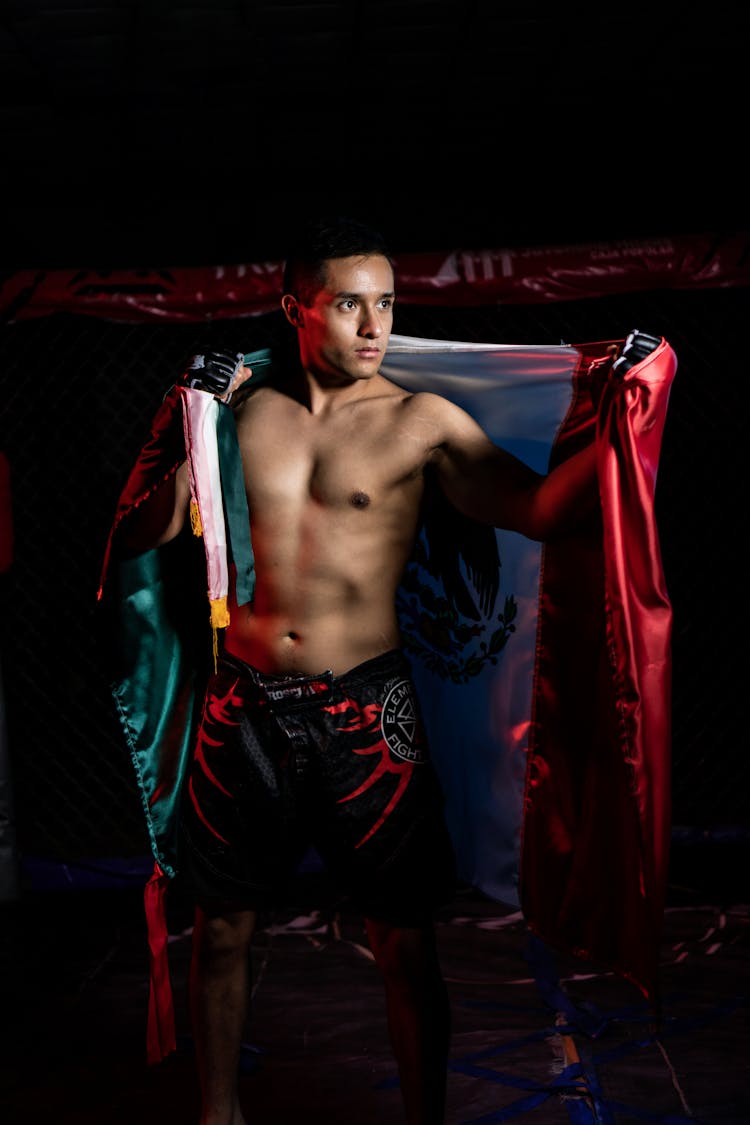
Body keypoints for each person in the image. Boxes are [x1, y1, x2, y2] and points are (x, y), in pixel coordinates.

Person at [107, 216, 608, 1125]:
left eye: (386, 303)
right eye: (350, 304)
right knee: (220, 929)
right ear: (297, 308)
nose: (375, 325)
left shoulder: (422, 420)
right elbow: (141, 535)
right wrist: (176, 426)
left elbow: (536, 511)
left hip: (366, 714)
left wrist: (622, 414)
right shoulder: (234, 411)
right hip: (242, 707)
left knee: (405, 940)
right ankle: (218, 1116)